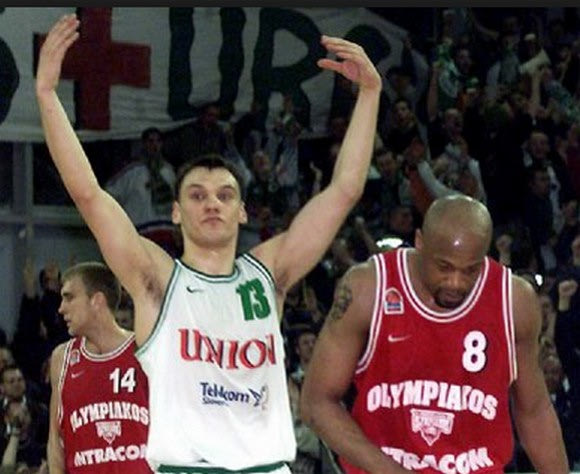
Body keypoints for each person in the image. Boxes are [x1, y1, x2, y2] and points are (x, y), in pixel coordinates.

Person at [36, 13, 381, 474]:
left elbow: (344, 191)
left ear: (243, 211)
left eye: (225, 195)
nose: (212, 204)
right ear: (176, 212)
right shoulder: (157, 280)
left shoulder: (269, 272)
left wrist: (369, 95)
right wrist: (47, 95)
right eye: (197, 196)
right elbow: (89, 195)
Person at [301, 194, 569, 473]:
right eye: (444, 267)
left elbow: (534, 412)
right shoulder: (368, 287)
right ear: (419, 242)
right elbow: (316, 402)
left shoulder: (513, 301)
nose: (456, 282)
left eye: (470, 270)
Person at [46, 262, 151, 473]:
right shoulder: (62, 358)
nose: (61, 308)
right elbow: (55, 441)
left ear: (97, 301)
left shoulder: (145, 350)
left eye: (69, 297)